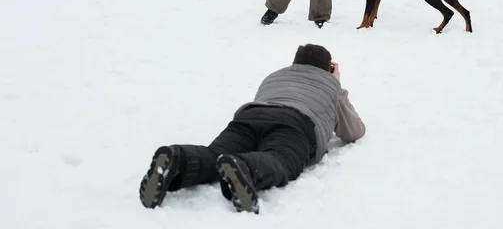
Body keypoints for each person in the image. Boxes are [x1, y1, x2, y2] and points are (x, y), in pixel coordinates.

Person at [139, 44, 366, 214]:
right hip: (295, 125)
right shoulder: (330, 85)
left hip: (251, 116)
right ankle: (246, 168)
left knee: (215, 154)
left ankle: (178, 159)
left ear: (294, 63)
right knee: (280, 158)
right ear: (328, 69)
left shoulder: (274, 76)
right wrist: (336, 84)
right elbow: (354, 131)